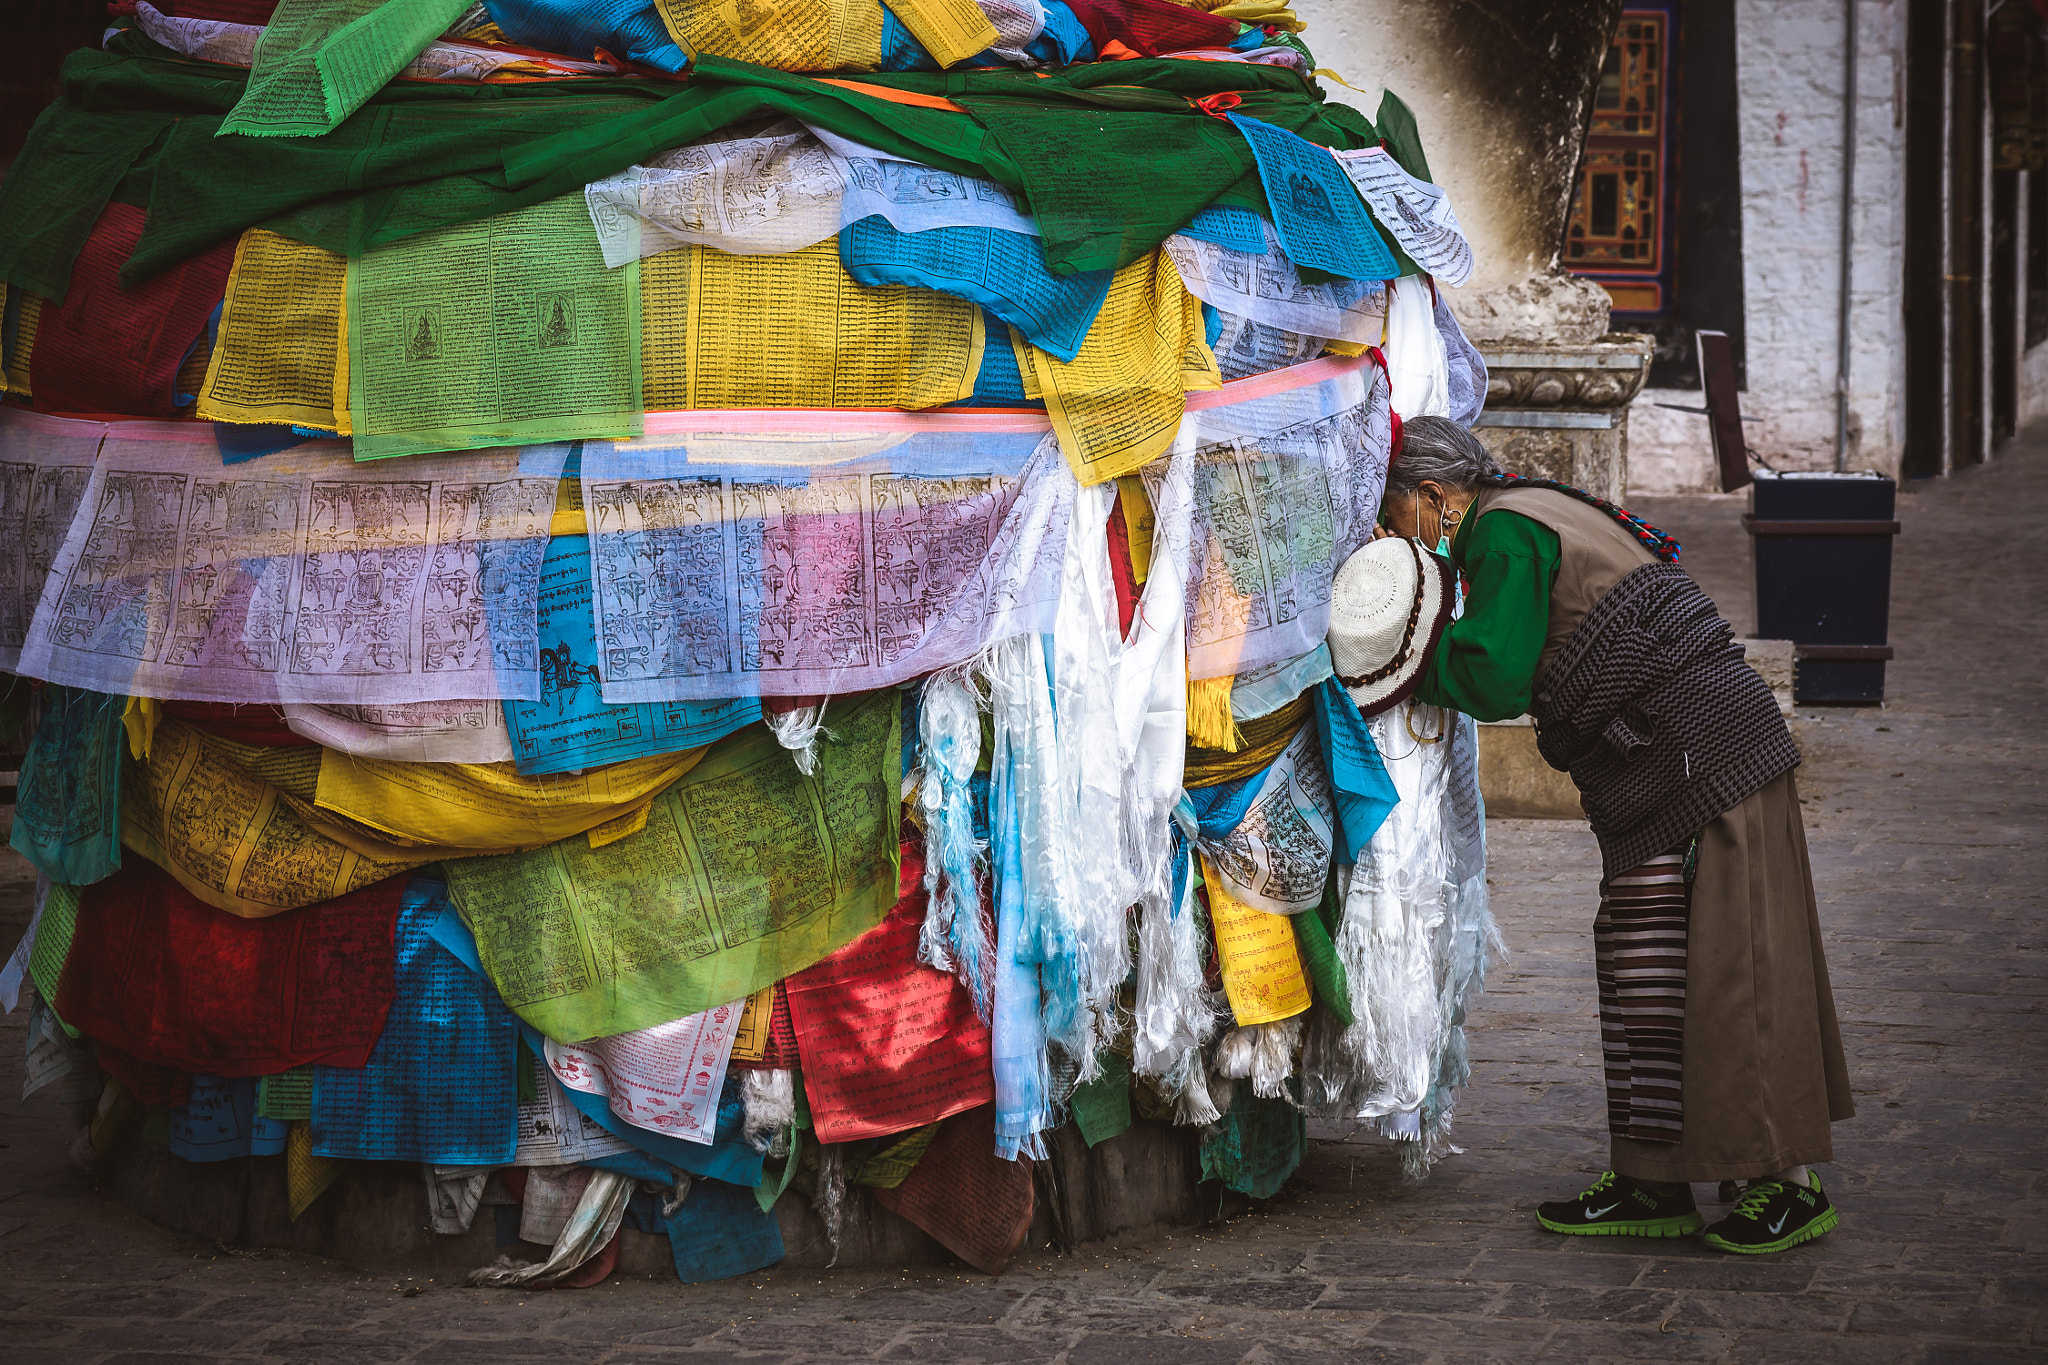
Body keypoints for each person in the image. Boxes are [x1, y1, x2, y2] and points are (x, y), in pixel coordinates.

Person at [1377, 415, 1854, 1255]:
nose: (1398, 537)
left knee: (1730, 963)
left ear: (1433, 497)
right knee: (1646, 961)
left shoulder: (1504, 533)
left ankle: (1785, 1180)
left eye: (1397, 518)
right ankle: (1654, 1174)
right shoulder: (1525, 513)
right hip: (1661, 772)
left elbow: (1492, 675)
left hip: (1708, 759)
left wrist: (1400, 653)